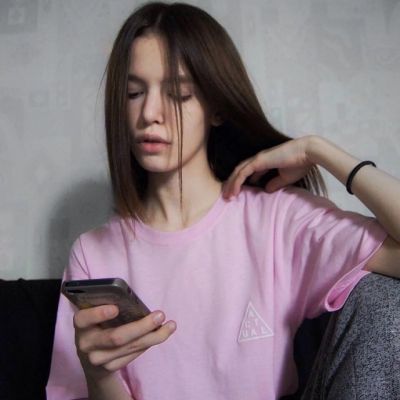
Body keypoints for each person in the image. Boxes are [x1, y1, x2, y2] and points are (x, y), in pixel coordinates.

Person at [46, 2, 400, 399]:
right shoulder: (93, 254)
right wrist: (99, 376)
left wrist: (321, 152)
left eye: (178, 93)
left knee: (385, 299)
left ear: (216, 108)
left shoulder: (276, 219)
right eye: (134, 93)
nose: (149, 113)